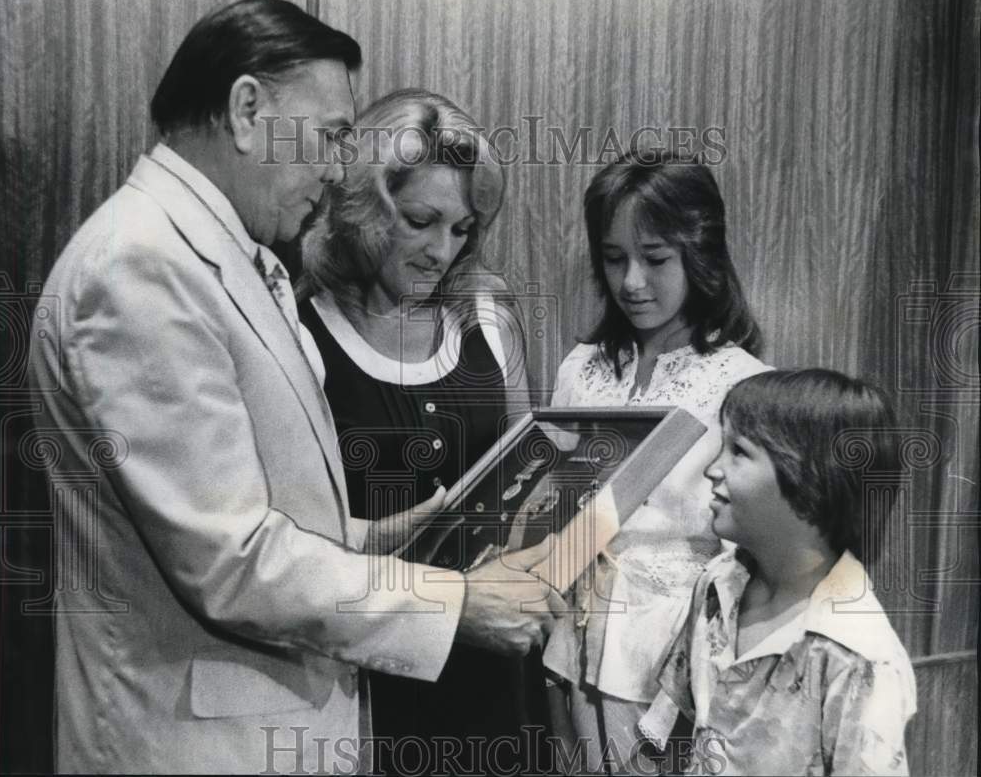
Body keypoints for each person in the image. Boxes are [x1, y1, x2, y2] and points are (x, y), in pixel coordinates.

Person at [26, 0, 562, 775]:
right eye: (333, 135)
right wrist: (455, 604)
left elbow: (228, 512)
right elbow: (230, 560)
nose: (343, 168)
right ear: (247, 110)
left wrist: (360, 538)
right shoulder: (140, 267)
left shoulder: (213, 254)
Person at [296, 88, 549, 775]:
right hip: (365, 676)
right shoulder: (298, 330)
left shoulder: (486, 317)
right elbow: (284, 543)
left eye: (462, 228)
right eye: (420, 220)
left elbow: (533, 480)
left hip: (495, 669)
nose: (443, 250)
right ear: (362, 206)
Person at [543, 151, 769, 772]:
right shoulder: (582, 370)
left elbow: (750, 557)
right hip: (573, 640)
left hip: (673, 659)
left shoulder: (740, 384)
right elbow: (556, 506)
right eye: (614, 259)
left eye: (656, 259)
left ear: (700, 255)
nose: (632, 282)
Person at [638, 369, 917, 775]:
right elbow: (677, 729)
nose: (712, 470)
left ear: (812, 480)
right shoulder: (717, 582)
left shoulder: (859, 657)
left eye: (739, 452)